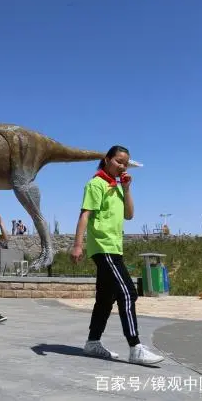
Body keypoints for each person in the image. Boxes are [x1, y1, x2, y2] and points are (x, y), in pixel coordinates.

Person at [71, 145, 164, 365]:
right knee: (128, 293)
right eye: (118, 161)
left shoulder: (118, 186)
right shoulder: (96, 184)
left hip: (115, 248)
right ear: (107, 159)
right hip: (103, 248)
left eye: (125, 163)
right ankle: (135, 347)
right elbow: (85, 214)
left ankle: (93, 343)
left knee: (105, 298)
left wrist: (127, 188)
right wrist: (77, 245)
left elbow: (129, 215)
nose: (121, 166)